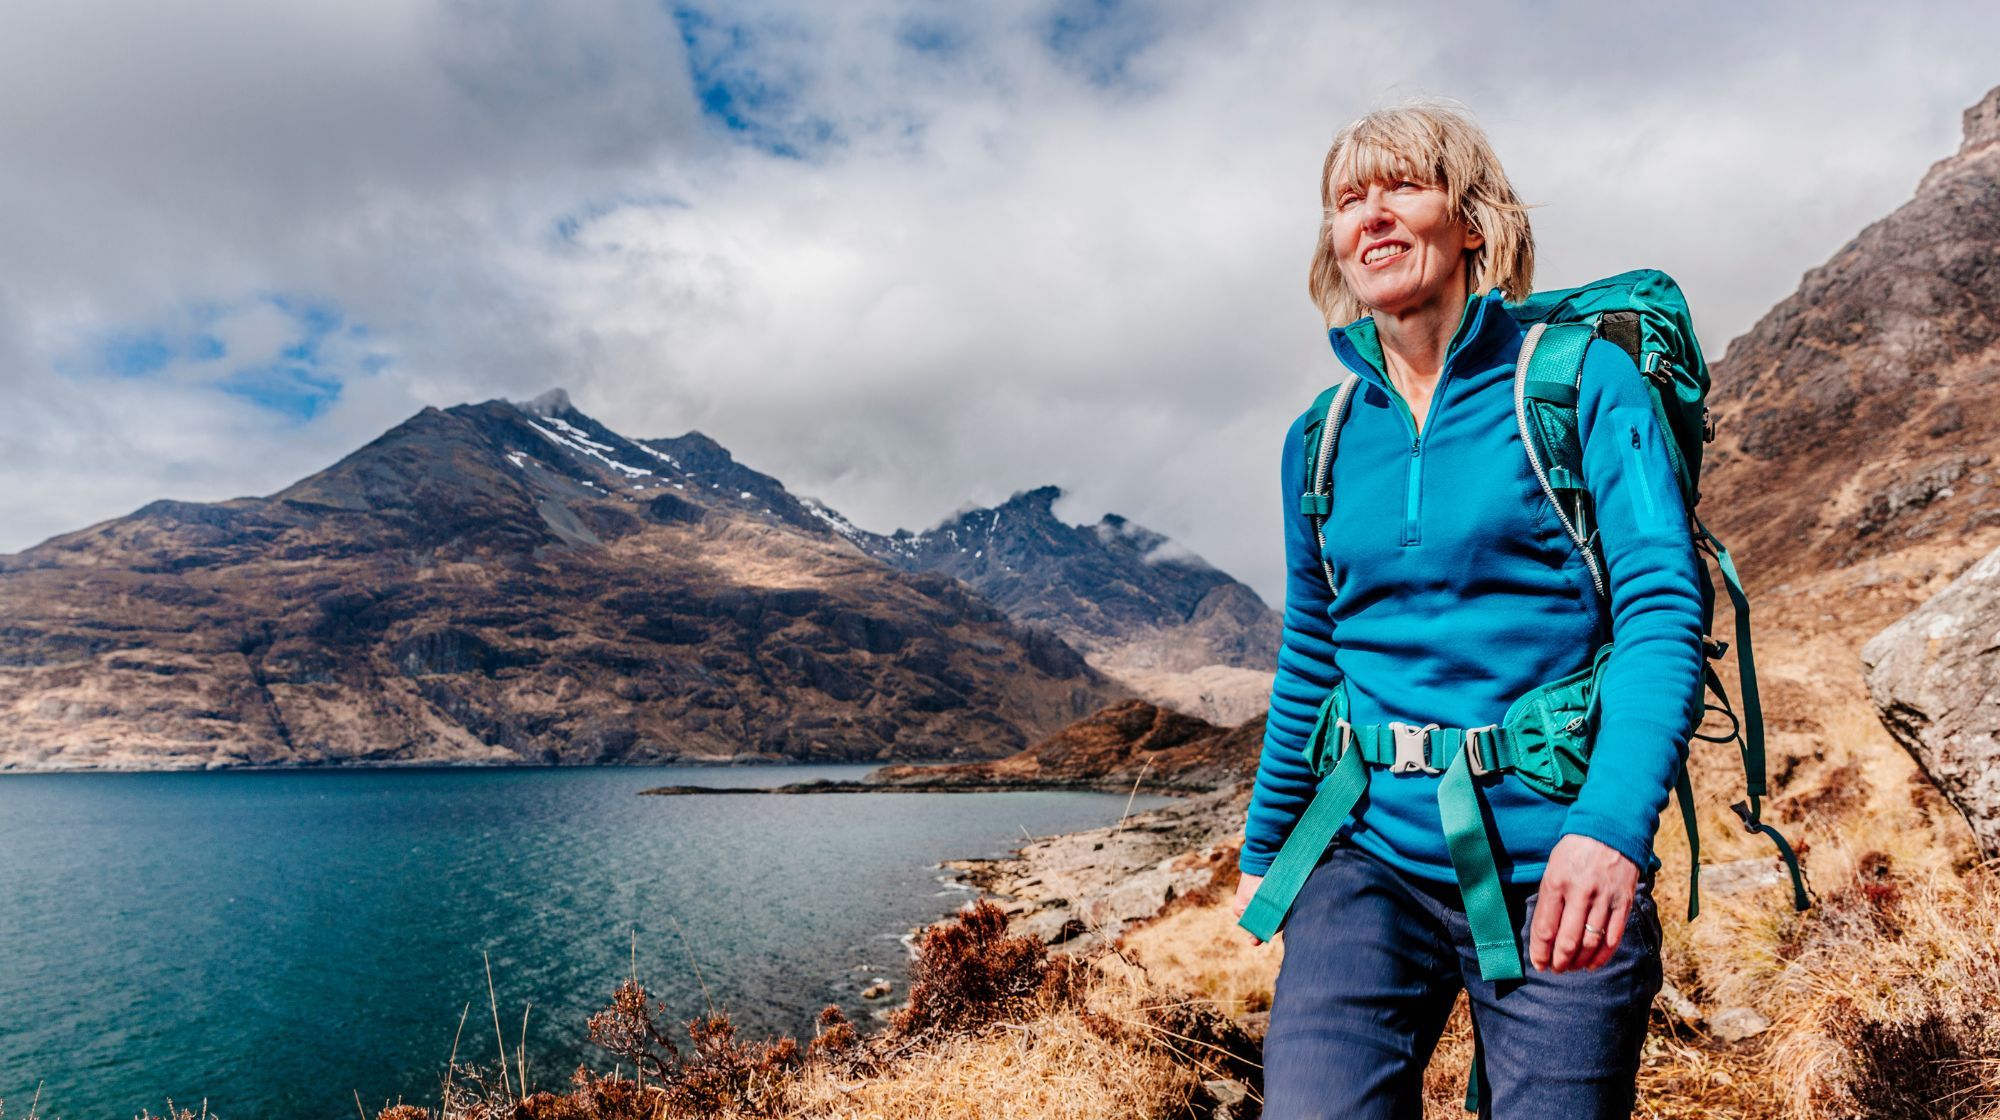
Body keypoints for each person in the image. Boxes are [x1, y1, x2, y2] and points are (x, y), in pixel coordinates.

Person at [1230, 98, 1705, 1118]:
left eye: (1401, 185)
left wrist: (1611, 830)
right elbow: (1312, 650)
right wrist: (1263, 852)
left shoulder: (1577, 384)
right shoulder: (1318, 435)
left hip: (1554, 855)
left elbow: (1663, 609)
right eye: (1346, 200)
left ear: (1472, 219)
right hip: (1365, 857)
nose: (1372, 215)